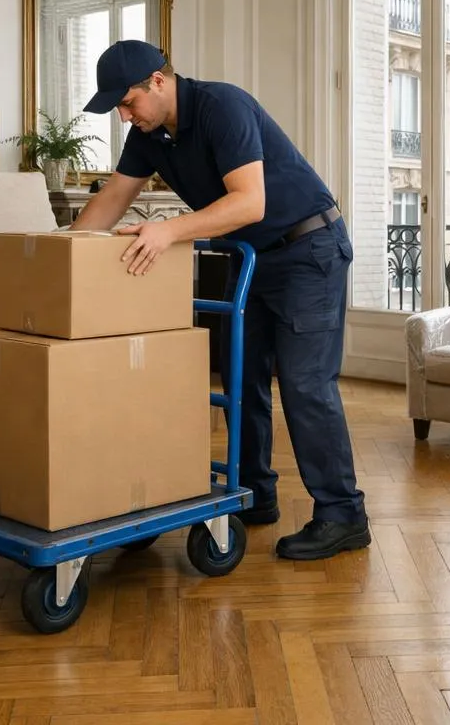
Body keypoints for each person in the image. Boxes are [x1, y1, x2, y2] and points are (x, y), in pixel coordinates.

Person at [70, 39, 370, 561]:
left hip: (309, 250)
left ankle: (343, 515)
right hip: (253, 257)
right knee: (240, 375)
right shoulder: (151, 134)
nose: (123, 115)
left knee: (303, 384)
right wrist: (58, 254)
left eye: (127, 102)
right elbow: (113, 198)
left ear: (158, 82)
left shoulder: (222, 106)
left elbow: (249, 202)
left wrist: (169, 232)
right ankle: (255, 495)